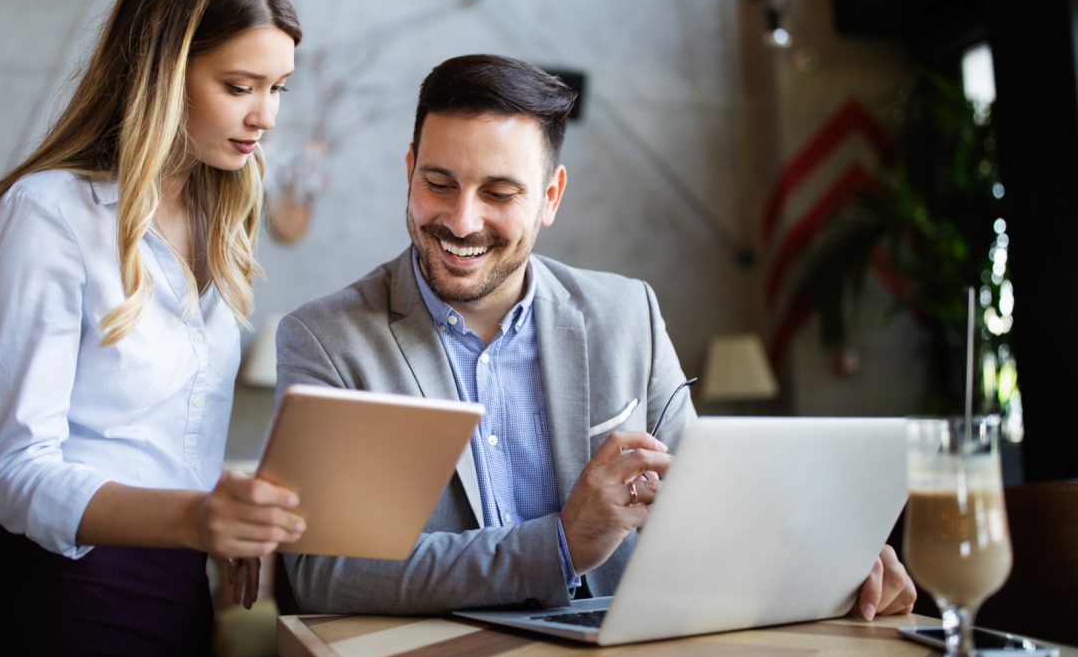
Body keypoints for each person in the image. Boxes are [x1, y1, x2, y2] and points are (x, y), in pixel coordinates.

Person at [276, 54, 917, 620]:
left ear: (551, 197)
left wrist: (825, 558)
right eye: (439, 184)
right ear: (410, 171)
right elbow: (325, 573)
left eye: (499, 192)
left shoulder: (627, 314)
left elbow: (704, 507)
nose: (462, 220)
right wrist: (560, 545)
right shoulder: (327, 340)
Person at [0, 0, 306, 657]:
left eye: (278, 88)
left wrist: (232, 519)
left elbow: (168, 441)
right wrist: (196, 517)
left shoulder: (221, 221)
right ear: (162, 72)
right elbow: (15, 472)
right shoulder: (48, 213)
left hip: (180, 592)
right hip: (68, 598)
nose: (266, 116)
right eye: (240, 86)